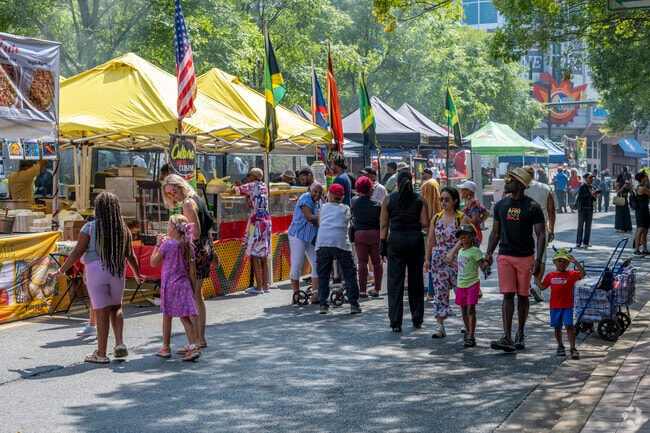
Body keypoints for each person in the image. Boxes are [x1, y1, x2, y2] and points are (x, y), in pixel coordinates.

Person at [49, 192, 145, 363]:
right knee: (116, 308)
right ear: (117, 209)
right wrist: (137, 275)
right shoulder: (122, 229)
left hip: (96, 270)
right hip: (117, 270)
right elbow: (129, 255)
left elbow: (77, 252)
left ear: (98, 208)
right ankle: (119, 344)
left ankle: (101, 354)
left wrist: (61, 271)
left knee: (101, 311)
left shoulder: (90, 228)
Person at [484, 167, 545, 352]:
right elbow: (495, 233)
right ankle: (507, 337)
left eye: (510, 180)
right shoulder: (501, 205)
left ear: (520, 184)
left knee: (523, 295)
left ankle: (520, 332)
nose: (506, 182)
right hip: (505, 256)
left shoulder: (533, 207)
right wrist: (488, 255)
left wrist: (538, 260)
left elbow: (541, 235)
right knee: (508, 294)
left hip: (526, 257)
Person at [161, 174, 218, 350]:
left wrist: (175, 241)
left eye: (173, 191)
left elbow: (195, 233)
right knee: (197, 296)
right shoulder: (196, 199)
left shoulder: (187, 203)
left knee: (193, 298)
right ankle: (199, 339)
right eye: (169, 194)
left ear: (180, 186)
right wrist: (213, 251)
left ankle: (197, 341)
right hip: (205, 249)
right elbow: (207, 228)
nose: (172, 196)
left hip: (197, 251)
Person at [380, 170, 429, 332]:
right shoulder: (420, 199)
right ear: (412, 180)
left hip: (396, 242)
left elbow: (384, 225)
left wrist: (382, 245)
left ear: (398, 182)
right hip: (415, 240)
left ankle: (395, 321)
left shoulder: (388, 199)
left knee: (395, 282)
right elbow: (425, 222)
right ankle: (417, 318)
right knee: (416, 281)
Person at [150, 214, 201, 361]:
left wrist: (157, 244)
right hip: (184, 285)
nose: (166, 228)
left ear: (173, 229)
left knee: (167, 316)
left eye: (168, 225)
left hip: (170, 286)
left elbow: (153, 262)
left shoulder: (167, 245)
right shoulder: (188, 246)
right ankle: (193, 346)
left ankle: (165, 347)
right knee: (185, 317)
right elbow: (192, 271)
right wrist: (192, 288)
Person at [424, 187, 469, 338]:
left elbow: (463, 239)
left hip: (457, 259)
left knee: (461, 292)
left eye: (446, 199)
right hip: (439, 260)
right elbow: (431, 239)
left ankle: (467, 323)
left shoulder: (461, 218)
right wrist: (427, 258)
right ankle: (439, 325)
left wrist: (452, 252)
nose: (443, 202)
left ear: (455, 201)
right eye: (441, 199)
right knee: (439, 292)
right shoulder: (436, 218)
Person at [315, 183, 362, 315]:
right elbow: (349, 223)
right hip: (341, 243)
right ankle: (354, 304)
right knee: (349, 274)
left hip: (324, 241)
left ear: (329, 195)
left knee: (323, 275)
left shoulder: (323, 207)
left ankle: (323, 305)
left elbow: (320, 223)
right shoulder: (346, 208)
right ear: (342, 197)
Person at [535, 247, 586, 360]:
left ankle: (573, 348)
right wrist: (535, 277)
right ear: (554, 262)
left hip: (567, 306)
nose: (562, 264)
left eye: (565, 262)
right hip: (555, 307)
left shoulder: (571, 274)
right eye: (559, 261)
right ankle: (560, 346)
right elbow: (542, 287)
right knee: (557, 327)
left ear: (568, 263)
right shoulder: (550, 275)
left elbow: (582, 274)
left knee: (569, 326)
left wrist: (576, 262)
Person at [231, 168, 272, 294]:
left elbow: (234, 191)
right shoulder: (263, 186)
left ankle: (258, 286)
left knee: (254, 253)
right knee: (263, 254)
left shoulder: (251, 185)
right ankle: (265, 285)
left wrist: (234, 185)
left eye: (248, 175)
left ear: (253, 176)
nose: (247, 177)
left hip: (256, 221)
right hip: (266, 219)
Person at [522, 165, 556, 302]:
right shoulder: (545, 188)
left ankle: (526, 285)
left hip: (522, 227)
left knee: (524, 256)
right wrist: (551, 228)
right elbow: (551, 210)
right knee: (541, 256)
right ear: (533, 174)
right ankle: (537, 284)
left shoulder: (519, 187)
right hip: (541, 226)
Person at [454, 224, 489, 348]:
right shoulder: (460, 251)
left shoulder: (476, 251)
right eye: (460, 234)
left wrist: (486, 266)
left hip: (472, 283)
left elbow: (482, 266)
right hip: (461, 284)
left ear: (472, 236)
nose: (462, 236)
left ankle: (471, 335)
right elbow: (461, 266)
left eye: (465, 234)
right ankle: (468, 332)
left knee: (470, 309)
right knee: (463, 309)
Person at [288, 182, 323, 304]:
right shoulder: (305, 198)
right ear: (310, 190)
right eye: (315, 192)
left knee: (317, 263)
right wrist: (323, 217)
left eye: (320, 192)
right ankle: (296, 293)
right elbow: (308, 217)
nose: (317, 195)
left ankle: (315, 294)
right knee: (297, 263)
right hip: (298, 234)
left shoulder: (320, 201)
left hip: (311, 236)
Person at [351, 176, 382, 298]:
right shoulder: (378, 204)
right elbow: (381, 221)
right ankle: (376, 289)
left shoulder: (355, 202)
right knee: (377, 262)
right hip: (375, 234)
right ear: (369, 189)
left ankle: (362, 291)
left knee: (362, 262)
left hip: (360, 234)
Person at [575, 172, 598, 248]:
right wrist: (590, 194)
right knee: (580, 226)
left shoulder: (592, 187)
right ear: (585, 179)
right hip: (582, 208)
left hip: (590, 209)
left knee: (588, 226)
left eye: (592, 178)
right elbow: (580, 197)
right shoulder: (582, 187)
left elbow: (594, 198)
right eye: (590, 178)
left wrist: (595, 195)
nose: (591, 179)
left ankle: (586, 242)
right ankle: (578, 242)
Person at [632, 170, 650, 256]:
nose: (647, 177)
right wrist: (649, 182)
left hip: (645, 210)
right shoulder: (642, 188)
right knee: (640, 229)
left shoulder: (642, 187)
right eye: (646, 176)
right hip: (641, 211)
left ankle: (645, 249)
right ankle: (636, 249)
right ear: (642, 178)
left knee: (645, 230)